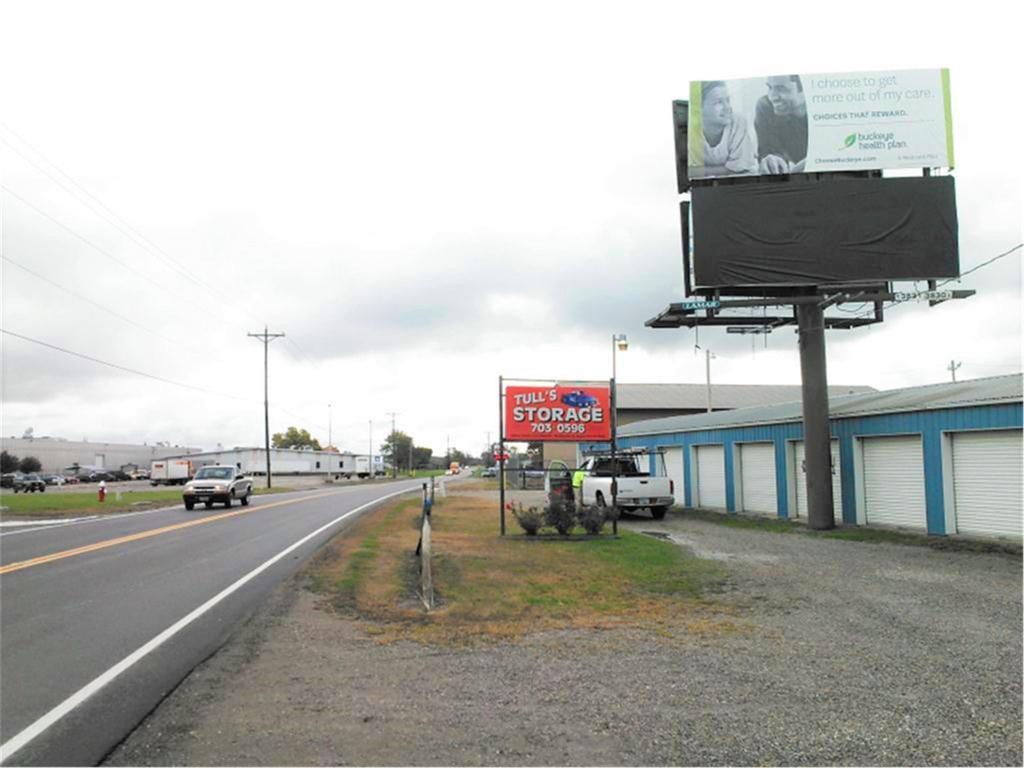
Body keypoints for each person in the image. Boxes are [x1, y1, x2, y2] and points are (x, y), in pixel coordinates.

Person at [697, 80, 756, 177]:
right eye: (718, 102)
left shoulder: (738, 122)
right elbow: (689, 171)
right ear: (700, 108)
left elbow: (740, 168)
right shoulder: (690, 129)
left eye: (728, 100)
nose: (728, 107)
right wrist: (727, 168)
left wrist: (702, 170)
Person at [754, 74, 808, 175]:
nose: (772, 97)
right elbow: (769, 149)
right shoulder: (765, 106)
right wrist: (772, 161)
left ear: (806, 90)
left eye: (781, 88)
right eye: (770, 87)